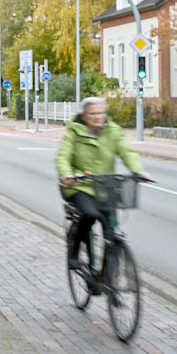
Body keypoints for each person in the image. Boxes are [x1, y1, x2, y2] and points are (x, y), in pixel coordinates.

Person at [56, 97, 151, 269]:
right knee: (90, 215)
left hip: (105, 186)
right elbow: (63, 156)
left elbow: (127, 151)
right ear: (84, 116)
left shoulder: (113, 131)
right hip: (80, 186)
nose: (97, 117)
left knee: (111, 228)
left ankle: (110, 278)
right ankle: (74, 254)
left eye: (100, 113)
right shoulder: (74, 132)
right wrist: (66, 174)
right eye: (92, 113)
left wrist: (138, 170)